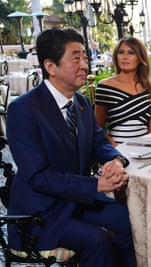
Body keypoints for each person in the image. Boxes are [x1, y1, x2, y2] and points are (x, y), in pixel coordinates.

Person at [6, 28, 136, 267]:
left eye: (85, 58)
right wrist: (95, 184)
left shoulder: (81, 102)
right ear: (50, 66)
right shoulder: (23, 110)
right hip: (41, 213)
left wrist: (116, 160)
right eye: (76, 58)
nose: (84, 65)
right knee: (96, 239)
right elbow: (39, 178)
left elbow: (99, 142)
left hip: (76, 202)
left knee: (130, 220)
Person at [95, 37, 151, 146]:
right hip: (115, 154)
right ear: (116, 56)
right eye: (121, 52)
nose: (125, 57)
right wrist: (117, 152)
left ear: (140, 58)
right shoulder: (105, 87)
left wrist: (144, 152)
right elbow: (98, 128)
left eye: (131, 53)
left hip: (145, 152)